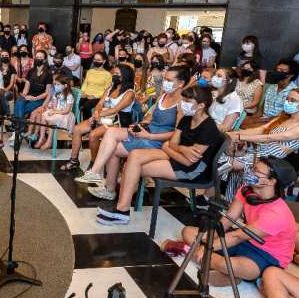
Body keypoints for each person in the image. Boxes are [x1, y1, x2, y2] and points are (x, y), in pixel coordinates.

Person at [96, 85, 223, 225]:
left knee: (131, 166)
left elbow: (189, 161)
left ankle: (122, 210)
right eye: (184, 99)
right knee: (134, 156)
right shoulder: (187, 119)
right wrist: (178, 149)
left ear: (201, 105)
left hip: (192, 170)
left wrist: (171, 148)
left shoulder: (208, 128)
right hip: (176, 156)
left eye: (188, 100)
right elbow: (171, 144)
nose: (184, 103)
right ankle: (123, 209)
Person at [162, 158, 298, 287]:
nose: (250, 172)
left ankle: (188, 250)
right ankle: (230, 275)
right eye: (252, 168)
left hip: (267, 256)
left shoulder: (276, 213)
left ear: (271, 181)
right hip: (245, 240)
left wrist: (207, 247)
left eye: (256, 171)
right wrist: (210, 239)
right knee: (188, 232)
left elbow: (237, 236)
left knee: (227, 265)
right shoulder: (247, 191)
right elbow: (228, 219)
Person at [77, 66, 190, 194]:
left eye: (169, 80)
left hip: (158, 141)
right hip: (147, 132)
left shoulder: (182, 104)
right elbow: (149, 118)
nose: (165, 82)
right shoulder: (163, 97)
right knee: (111, 132)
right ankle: (95, 172)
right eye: (165, 79)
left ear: (180, 83)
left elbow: (177, 133)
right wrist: (139, 125)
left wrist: (149, 136)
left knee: (112, 148)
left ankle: (109, 190)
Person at [222, 89, 299, 199]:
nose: (288, 102)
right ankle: (225, 200)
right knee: (218, 155)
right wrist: (235, 133)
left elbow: (268, 137)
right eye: (287, 99)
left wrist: (239, 136)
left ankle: (233, 202)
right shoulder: (282, 118)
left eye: (293, 100)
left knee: (221, 161)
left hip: (269, 158)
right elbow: (260, 130)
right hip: (257, 150)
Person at [60, 65, 135, 172]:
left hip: (117, 122)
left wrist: (98, 115)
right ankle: (74, 160)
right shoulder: (109, 89)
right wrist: (96, 112)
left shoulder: (129, 93)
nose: (114, 76)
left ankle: (93, 162)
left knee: (93, 135)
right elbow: (99, 104)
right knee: (77, 129)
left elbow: (115, 110)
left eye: (117, 74)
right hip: (103, 117)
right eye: (113, 73)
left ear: (125, 76)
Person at [246, 60, 299, 128]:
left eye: (282, 70)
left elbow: (285, 116)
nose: (278, 72)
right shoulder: (271, 88)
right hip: (263, 120)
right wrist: (251, 120)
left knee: (247, 128)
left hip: (278, 123)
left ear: (290, 75)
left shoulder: (294, 92)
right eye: (277, 69)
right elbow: (262, 109)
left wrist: (256, 121)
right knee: (242, 123)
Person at [31, 73, 75, 150]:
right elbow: (54, 105)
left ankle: (49, 140)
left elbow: (67, 110)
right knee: (43, 116)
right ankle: (42, 138)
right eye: (55, 84)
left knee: (51, 120)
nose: (56, 86)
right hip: (56, 111)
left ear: (65, 86)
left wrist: (55, 112)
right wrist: (55, 110)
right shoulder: (56, 93)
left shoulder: (69, 95)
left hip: (65, 114)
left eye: (58, 84)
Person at [14, 50, 51, 119]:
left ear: (45, 60)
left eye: (40, 57)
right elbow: (26, 87)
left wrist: (35, 98)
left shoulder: (48, 74)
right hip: (29, 96)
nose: (38, 59)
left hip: (40, 98)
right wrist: (24, 93)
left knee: (22, 109)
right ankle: (19, 127)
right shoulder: (30, 71)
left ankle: (18, 127)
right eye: (37, 57)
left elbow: (47, 92)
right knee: (18, 101)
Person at [78, 52, 112, 120]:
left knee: (86, 106)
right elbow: (85, 83)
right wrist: (83, 92)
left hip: (98, 96)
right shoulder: (90, 71)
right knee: (77, 103)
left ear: (104, 61)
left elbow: (107, 90)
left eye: (98, 60)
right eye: (95, 59)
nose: (96, 61)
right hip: (86, 94)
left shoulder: (107, 74)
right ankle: (77, 123)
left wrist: (94, 96)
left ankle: (88, 124)